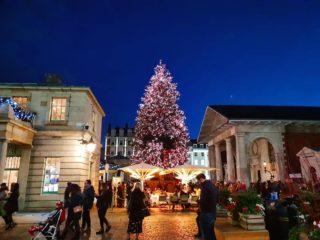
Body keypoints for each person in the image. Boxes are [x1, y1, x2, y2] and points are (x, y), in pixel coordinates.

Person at [196, 173, 218, 240]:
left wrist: (198, 201)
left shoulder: (205, 186)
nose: (198, 182)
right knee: (211, 232)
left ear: (201, 179)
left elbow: (204, 200)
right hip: (212, 211)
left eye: (198, 181)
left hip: (206, 212)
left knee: (206, 233)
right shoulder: (212, 185)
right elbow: (217, 195)